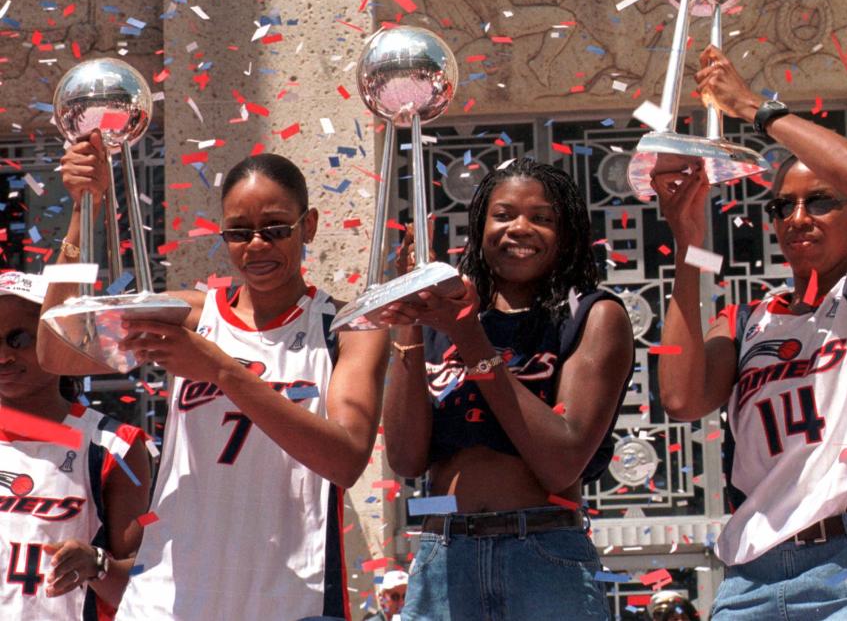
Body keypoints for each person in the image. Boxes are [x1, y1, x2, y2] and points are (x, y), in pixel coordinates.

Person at [38, 134, 389, 620]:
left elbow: (346, 459)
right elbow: (57, 352)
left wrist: (222, 371)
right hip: (171, 597)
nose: (257, 245)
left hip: (288, 594)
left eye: (276, 228)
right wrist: (83, 211)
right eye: (239, 232)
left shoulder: (346, 329)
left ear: (307, 226)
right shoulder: (192, 317)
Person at [652, 46, 847, 620]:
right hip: (752, 578)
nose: (798, 218)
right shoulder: (748, 318)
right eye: (783, 206)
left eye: (820, 202)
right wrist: (689, 241)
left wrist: (754, 106)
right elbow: (682, 399)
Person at [380, 158, 635, 621]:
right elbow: (405, 459)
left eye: (542, 218)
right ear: (479, 228)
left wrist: (469, 336)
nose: (520, 228)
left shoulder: (594, 317)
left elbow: (561, 462)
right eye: (503, 215)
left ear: (569, 233)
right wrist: (410, 315)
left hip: (542, 557)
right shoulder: (442, 319)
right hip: (444, 558)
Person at [0, 270, 150, 620]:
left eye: (19, 338)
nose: (4, 355)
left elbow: (146, 584)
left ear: (59, 340)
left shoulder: (115, 446)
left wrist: (96, 565)